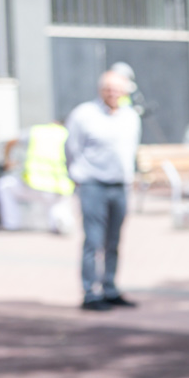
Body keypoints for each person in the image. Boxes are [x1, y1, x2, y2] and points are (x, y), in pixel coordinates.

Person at [64, 69, 142, 311]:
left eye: (118, 89)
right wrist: (78, 177)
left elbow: (131, 150)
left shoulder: (130, 116)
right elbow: (71, 149)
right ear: (101, 90)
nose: (113, 93)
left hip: (119, 186)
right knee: (93, 241)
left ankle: (110, 288)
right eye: (109, 89)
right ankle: (90, 293)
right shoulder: (84, 114)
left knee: (114, 241)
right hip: (93, 185)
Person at [0, 121, 75, 234]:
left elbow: (11, 141)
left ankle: (11, 224)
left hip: (33, 183)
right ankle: (59, 224)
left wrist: (7, 160)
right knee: (57, 206)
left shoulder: (36, 131)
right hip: (58, 187)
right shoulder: (67, 134)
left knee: (4, 185)